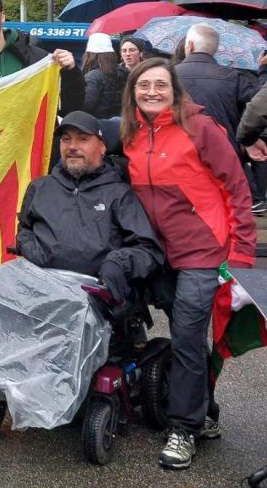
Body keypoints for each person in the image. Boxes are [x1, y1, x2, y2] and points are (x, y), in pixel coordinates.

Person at [120, 58, 256, 469]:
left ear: (175, 89)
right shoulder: (130, 134)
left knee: (187, 335)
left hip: (201, 250)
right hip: (158, 254)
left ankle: (184, 428)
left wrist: (243, 252)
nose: (152, 92)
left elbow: (237, 187)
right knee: (181, 337)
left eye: (161, 84)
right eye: (144, 85)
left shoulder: (201, 128)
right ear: (133, 92)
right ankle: (205, 412)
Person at [16, 110, 163, 314]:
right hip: (42, 299)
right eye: (66, 140)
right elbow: (25, 228)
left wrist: (118, 264)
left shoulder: (119, 193)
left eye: (83, 139)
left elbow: (149, 249)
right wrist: (33, 251)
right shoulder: (40, 188)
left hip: (98, 306)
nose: (73, 147)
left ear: (102, 146)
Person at [175, 23, 267, 214]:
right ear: (214, 49)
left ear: (189, 45)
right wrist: (263, 71)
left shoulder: (168, 77)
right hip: (225, 157)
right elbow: (258, 102)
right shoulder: (233, 77)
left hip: (179, 155)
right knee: (226, 213)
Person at [81, 32, 128, 119]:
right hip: (123, 123)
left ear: (89, 55)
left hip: (98, 125)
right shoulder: (124, 72)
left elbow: (86, 106)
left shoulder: (92, 77)